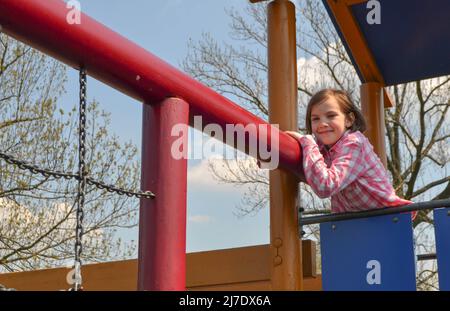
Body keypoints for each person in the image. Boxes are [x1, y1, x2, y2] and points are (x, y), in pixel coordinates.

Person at [286, 89, 414, 215]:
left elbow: (324, 186)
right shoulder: (322, 150)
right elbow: (312, 175)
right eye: (315, 119)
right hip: (353, 224)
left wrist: (308, 143)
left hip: (388, 219)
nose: (322, 123)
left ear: (349, 120)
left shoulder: (354, 144)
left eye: (331, 116)